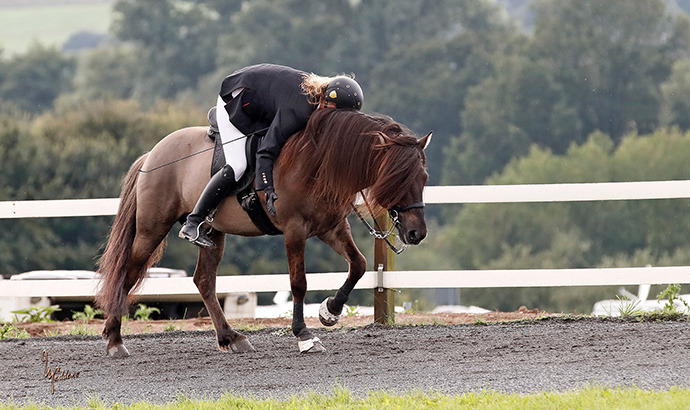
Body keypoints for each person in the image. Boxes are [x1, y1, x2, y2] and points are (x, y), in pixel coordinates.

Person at [179, 63, 364, 248]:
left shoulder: (317, 101)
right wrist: (266, 187)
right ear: (327, 102)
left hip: (259, 96)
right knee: (237, 165)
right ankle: (193, 222)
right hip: (234, 99)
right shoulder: (298, 110)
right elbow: (266, 151)